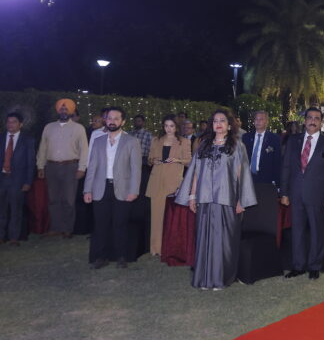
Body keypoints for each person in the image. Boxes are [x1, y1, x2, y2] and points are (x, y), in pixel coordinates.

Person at [176, 109, 257, 290]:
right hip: (204, 199)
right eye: (215, 121)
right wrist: (192, 196)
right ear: (211, 125)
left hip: (227, 200)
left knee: (225, 242)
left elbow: (242, 174)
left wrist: (241, 200)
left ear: (229, 125)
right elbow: (196, 172)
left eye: (222, 120)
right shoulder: (203, 145)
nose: (218, 124)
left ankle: (222, 278)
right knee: (204, 239)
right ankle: (204, 279)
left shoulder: (237, 146)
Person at [280, 107, 324, 280]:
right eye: (310, 118)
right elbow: (286, 167)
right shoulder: (293, 140)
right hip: (296, 193)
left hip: (317, 195)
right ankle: (298, 266)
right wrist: (284, 192)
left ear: (321, 122)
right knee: (297, 230)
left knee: (316, 231)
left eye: (316, 118)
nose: (313, 121)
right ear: (304, 121)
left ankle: (314, 266)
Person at [83, 107, 142, 269]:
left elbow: (136, 169)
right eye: (110, 118)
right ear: (105, 120)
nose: (112, 121)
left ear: (123, 121)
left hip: (122, 189)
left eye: (116, 118)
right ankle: (101, 257)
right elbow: (92, 167)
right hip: (100, 189)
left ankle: (121, 256)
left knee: (120, 224)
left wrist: (134, 190)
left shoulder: (131, 141)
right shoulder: (98, 141)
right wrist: (87, 190)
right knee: (100, 225)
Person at [36, 98, 89, 238]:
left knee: (68, 200)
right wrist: (40, 166)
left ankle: (68, 228)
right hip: (51, 166)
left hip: (70, 167)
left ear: (71, 111)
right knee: (53, 199)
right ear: (58, 110)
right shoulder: (49, 127)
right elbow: (43, 147)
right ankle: (55, 227)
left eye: (66, 109)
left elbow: (84, 150)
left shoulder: (79, 128)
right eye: (61, 109)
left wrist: (82, 168)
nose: (63, 111)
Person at [0, 112, 36, 246]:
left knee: (16, 210)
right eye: (8, 122)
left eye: (14, 122)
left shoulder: (28, 140)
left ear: (21, 124)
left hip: (17, 180)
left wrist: (28, 182)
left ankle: (14, 238)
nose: (10, 124)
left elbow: (31, 162)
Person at [147, 114, 192, 258]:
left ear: (176, 127)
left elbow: (189, 161)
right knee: (156, 217)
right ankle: (156, 248)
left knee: (172, 218)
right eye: (166, 126)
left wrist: (177, 160)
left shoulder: (184, 142)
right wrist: (154, 160)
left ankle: (170, 248)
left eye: (171, 126)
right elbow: (149, 159)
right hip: (156, 182)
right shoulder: (156, 140)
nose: (168, 129)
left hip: (174, 183)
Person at [242, 110, 283, 224]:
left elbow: (277, 162)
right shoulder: (246, 137)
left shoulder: (274, 139)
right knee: (249, 208)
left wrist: (278, 184)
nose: (258, 121)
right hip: (249, 178)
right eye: (256, 119)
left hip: (266, 180)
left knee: (264, 208)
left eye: (261, 119)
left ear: (266, 121)